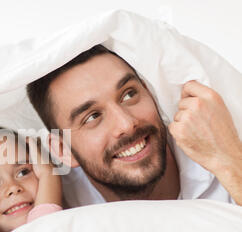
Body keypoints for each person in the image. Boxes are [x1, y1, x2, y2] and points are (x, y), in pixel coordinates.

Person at [27, 44, 241, 207]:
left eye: (129, 94)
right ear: (63, 150)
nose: (127, 124)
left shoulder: (224, 147)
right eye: (92, 117)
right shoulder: (60, 206)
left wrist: (230, 162)